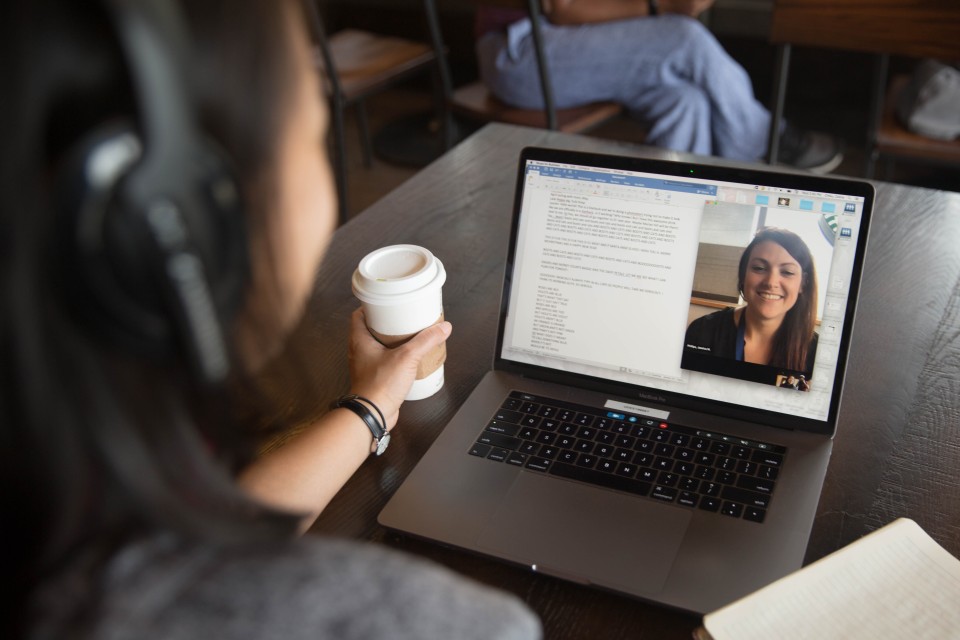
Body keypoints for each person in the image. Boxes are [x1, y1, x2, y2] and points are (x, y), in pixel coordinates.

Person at [2, 1, 541, 638]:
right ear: (178, 222)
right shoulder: (436, 626)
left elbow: (201, 537)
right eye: (314, 131)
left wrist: (370, 407)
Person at [475, 0, 843, 173]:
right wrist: (663, 6)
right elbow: (563, 6)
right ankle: (763, 138)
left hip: (568, 47)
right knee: (684, 36)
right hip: (520, 52)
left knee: (687, 100)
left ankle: (665, 223)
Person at [683, 228, 819, 375]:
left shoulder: (817, 353)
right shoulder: (703, 332)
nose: (771, 282)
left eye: (787, 272)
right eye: (759, 268)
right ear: (743, 275)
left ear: (803, 283)